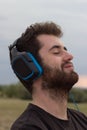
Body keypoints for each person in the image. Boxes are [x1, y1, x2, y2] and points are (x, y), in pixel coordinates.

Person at [9, 22, 87, 130]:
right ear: (30, 68)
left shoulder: (81, 119)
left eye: (65, 50)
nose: (70, 56)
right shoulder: (28, 127)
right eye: (56, 52)